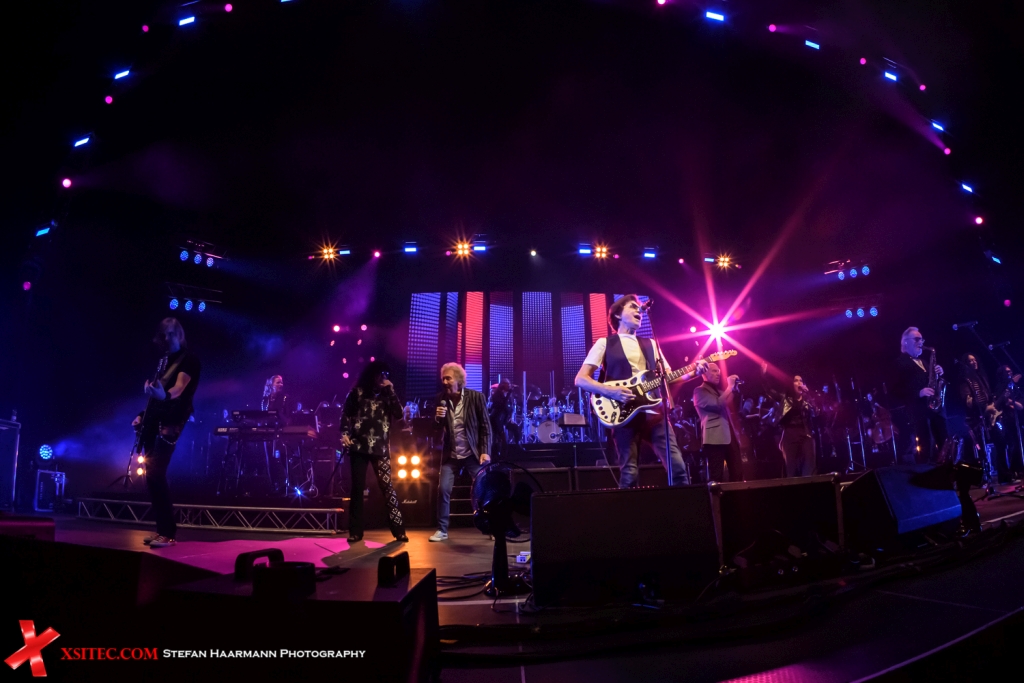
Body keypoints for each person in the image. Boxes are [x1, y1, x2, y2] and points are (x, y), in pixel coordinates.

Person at [575, 294, 705, 487]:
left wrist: (694, 372)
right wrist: (611, 391)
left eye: (640, 308)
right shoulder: (605, 343)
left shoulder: (651, 344)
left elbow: (667, 378)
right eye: (633, 307)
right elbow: (580, 379)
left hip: (655, 414)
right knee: (630, 473)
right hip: (623, 413)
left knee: (677, 468)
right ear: (618, 315)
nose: (639, 311)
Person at [132, 318, 201, 549]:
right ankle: (162, 530)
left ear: (179, 335)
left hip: (171, 420)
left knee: (157, 471)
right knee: (151, 475)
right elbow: (157, 394)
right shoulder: (163, 361)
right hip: (154, 419)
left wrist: (165, 395)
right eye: (163, 334)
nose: (166, 338)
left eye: (171, 333)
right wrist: (142, 415)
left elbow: (178, 388)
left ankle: (168, 533)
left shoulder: (189, 359)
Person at [340, 360, 408, 543]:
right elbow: (345, 414)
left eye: (386, 375)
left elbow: (399, 414)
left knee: (387, 487)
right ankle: (355, 532)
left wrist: (391, 391)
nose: (383, 378)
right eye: (380, 374)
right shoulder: (357, 393)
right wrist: (344, 434)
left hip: (381, 448)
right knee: (357, 488)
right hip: (359, 446)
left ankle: (399, 530)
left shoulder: (387, 395)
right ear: (372, 375)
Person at [430, 362, 491, 542]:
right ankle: (442, 530)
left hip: (473, 453)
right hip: (451, 454)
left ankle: (490, 526)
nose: (444, 382)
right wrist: (437, 418)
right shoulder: (440, 399)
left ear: (459, 380)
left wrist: (485, 451)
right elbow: (435, 429)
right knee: (443, 489)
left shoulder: (476, 397)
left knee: (483, 489)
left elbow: (485, 426)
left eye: (448, 378)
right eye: (443, 379)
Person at [891, 327, 947, 464]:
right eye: (917, 339)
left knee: (944, 443)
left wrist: (939, 374)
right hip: (918, 411)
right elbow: (895, 390)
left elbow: (932, 382)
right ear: (905, 342)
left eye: (922, 339)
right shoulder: (899, 363)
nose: (921, 342)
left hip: (935, 409)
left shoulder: (925, 362)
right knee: (926, 446)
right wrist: (918, 393)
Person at [762, 364, 817, 477]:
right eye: (796, 381)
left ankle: (808, 484)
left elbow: (817, 412)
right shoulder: (785, 399)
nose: (799, 383)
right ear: (792, 384)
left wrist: (809, 395)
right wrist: (764, 375)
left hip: (805, 433)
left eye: (801, 381)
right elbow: (770, 391)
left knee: (809, 463)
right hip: (790, 433)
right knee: (791, 466)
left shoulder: (807, 400)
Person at [694, 362, 744, 482]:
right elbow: (716, 404)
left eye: (719, 371)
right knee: (717, 476)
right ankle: (717, 495)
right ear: (704, 373)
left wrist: (735, 389)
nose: (718, 374)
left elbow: (734, 405)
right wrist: (729, 387)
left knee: (738, 473)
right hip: (714, 439)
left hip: (730, 436)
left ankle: (736, 494)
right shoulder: (699, 391)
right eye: (714, 371)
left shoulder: (720, 392)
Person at [488, 377, 520, 456]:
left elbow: (510, 408)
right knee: (501, 439)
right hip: (497, 419)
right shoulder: (497, 394)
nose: (509, 386)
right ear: (502, 385)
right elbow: (502, 405)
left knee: (516, 428)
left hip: (504, 419)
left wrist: (510, 417)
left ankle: (518, 445)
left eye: (509, 384)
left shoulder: (508, 394)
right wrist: (509, 394)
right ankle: (498, 456)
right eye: (507, 384)